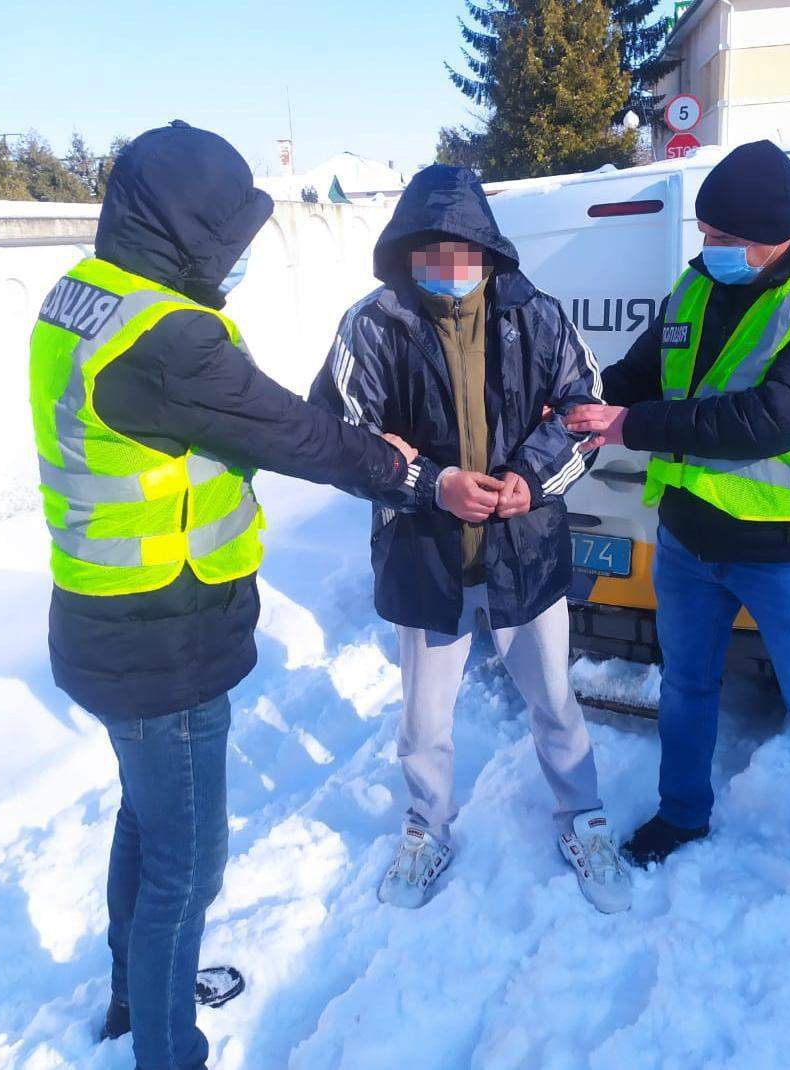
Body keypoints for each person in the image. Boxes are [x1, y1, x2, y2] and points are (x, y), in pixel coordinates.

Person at [28, 121, 415, 1070]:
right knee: (186, 869)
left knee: (144, 823)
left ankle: (135, 1000)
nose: (238, 256)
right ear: (186, 229)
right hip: (165, 634)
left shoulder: (86, 298)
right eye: (229, 238)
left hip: (102, 617)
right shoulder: (166, 339)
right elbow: (289, 432)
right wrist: (390, 466)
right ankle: (167, 1047)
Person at [566, 140, 790, 939]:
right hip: (686, 540)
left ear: (772, 234)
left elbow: (775, 419)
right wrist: (580, 402)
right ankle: (683, 815)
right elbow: (644, 370)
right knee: (686, 687)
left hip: (787, 551)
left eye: (721, 236)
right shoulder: (699, 280)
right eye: (704, 232)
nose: (706, 247)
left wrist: (629, 425)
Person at [309, 164, 631, 913]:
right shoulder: (373, 324)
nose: (450, 269)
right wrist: (433, 485)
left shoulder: (536, 315)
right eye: (432, 252)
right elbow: (338, 440)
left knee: (555, 700)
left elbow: (584, 415)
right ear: (407, 250)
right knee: (424, 721)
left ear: (489, 249)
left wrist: (531, 478)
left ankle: (581, 816)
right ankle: (426, 826)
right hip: (426, 556)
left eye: (466, 252)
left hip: (526, 552)